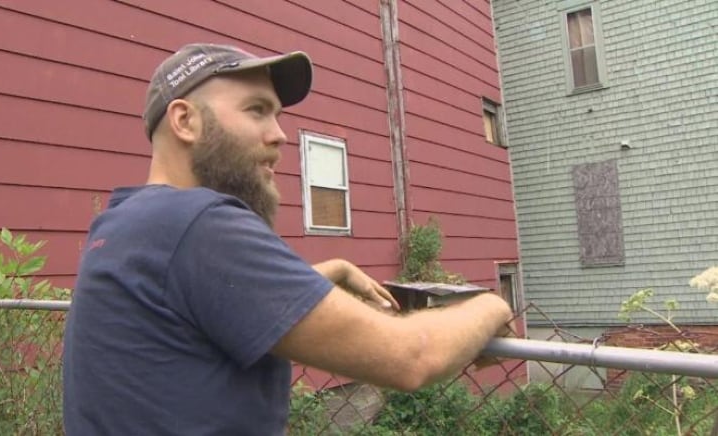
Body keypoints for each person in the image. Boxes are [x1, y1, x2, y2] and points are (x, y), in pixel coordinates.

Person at [62, 43, 513, 435]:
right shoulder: (199, 223)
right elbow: (412, 358)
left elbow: (198, 303)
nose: (280, 135)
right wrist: (492, 306)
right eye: (256, 110)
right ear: (185, 121)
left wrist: (330, 271)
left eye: (277, 115)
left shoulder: (123, 222)